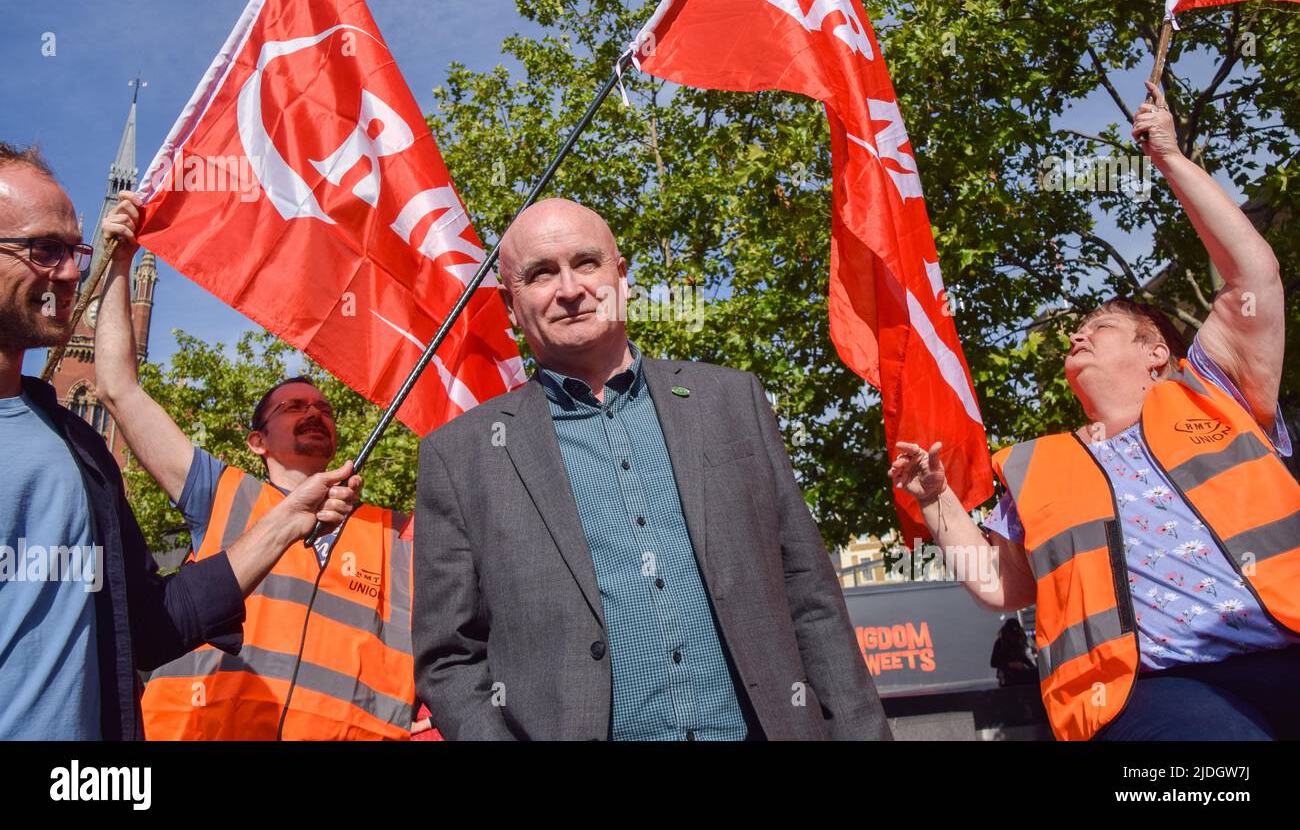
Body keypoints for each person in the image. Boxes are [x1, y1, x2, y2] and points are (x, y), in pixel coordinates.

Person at [890, 83, 1300, 741]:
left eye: (1102, 325)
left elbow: (1253, 277)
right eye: (1078, 329)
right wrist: (936, 505)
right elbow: (1001, 586)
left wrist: (1168, 155)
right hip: (1154, 691)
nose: (1079, 334)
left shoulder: (1215, 391)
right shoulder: (1035, 464)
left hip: (1286, 644)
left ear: (1155, 351)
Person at [413, 197, 891, 741]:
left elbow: (811, 597)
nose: (569, 290)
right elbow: (449, 659)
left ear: (622, 276)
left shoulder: (731, 402)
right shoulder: (461, 457)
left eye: (586, 263)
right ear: (511, 304)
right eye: (541, 274)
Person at [0, 143, 359, 740]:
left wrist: (287, 520)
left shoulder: (79, 451)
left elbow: (149, 624)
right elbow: (120, 387)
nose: (69, 274)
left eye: (76, 253)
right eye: (45, 250)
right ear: (256, 439)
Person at [93, 189, 420, 740]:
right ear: (256, 441)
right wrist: (119, 264)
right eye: (293, 407)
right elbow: (119, 389)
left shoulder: (397, 534)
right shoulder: (218, 492)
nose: (313, 414)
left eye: (323, 409)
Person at [990, 618, 1037, 687]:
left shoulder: (1018, 642)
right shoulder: (1000, 643)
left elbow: (1023, 658)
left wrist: (1033, 667)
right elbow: (994, 662)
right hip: (1007, 676)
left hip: (1020, 674)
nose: (1013, 638)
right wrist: (1010, 664)